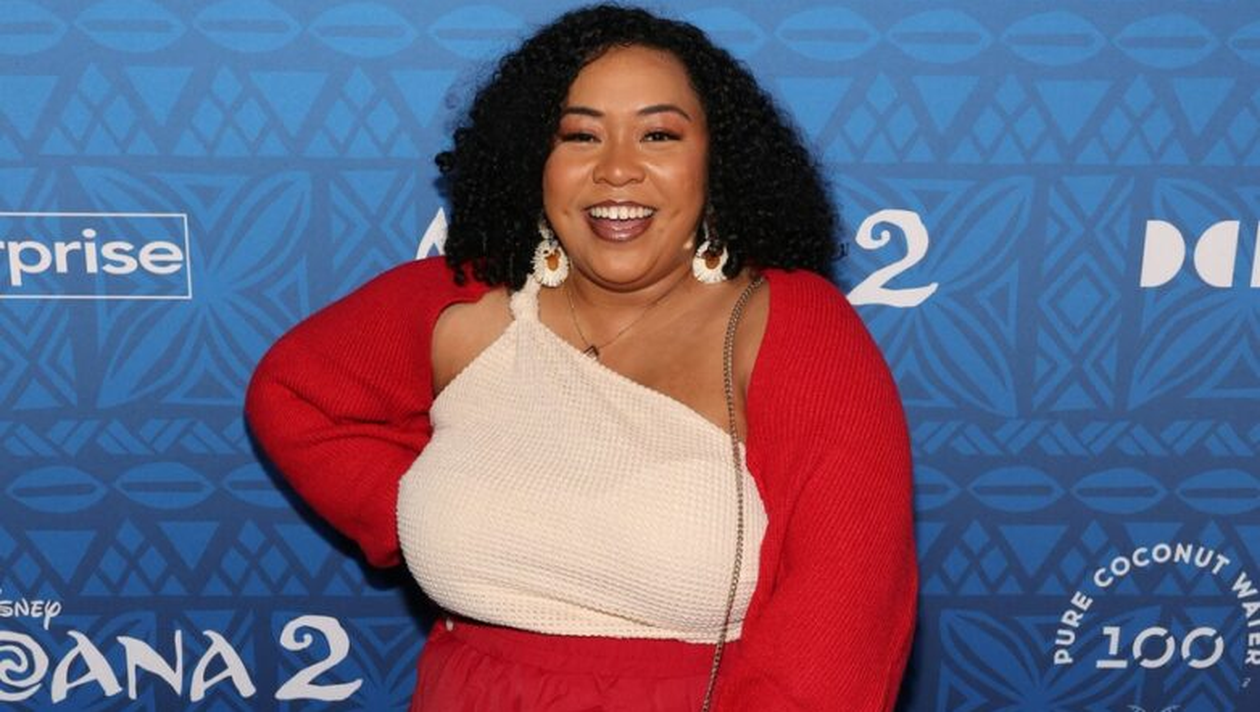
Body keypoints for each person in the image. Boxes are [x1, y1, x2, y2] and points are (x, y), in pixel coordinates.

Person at [245, 4, 916, 710]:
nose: (617, 170)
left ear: (715, 162)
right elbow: (293, 392)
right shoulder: (462, 307)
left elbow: (842, 629)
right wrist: (420, 508)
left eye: (658, 135)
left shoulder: (790, 325)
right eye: (580, 135)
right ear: (535, 160)